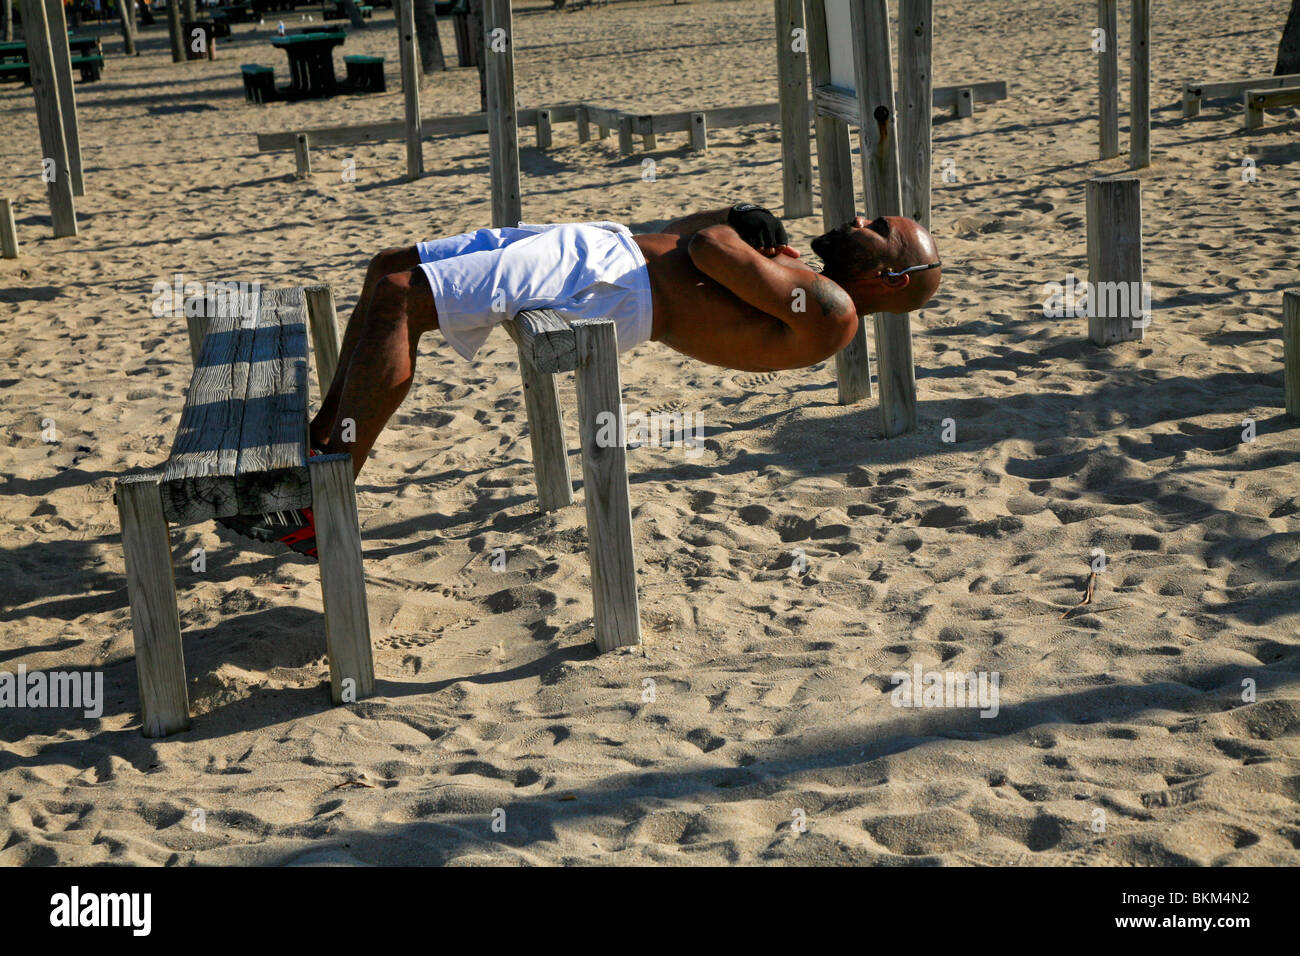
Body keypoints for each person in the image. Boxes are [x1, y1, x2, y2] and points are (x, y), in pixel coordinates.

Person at [220, 204, 941, 556]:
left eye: (876, 226)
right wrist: (733, 225)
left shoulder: (833, 310)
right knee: (387, 267)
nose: (856, 217)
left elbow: (708, 251)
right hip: (607, 250)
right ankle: (319, 447)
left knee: (401, 296)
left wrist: (735, 232)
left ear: (888, 275)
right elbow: (693, 232)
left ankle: (322, 498)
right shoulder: (807, 278)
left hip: (611, 287)